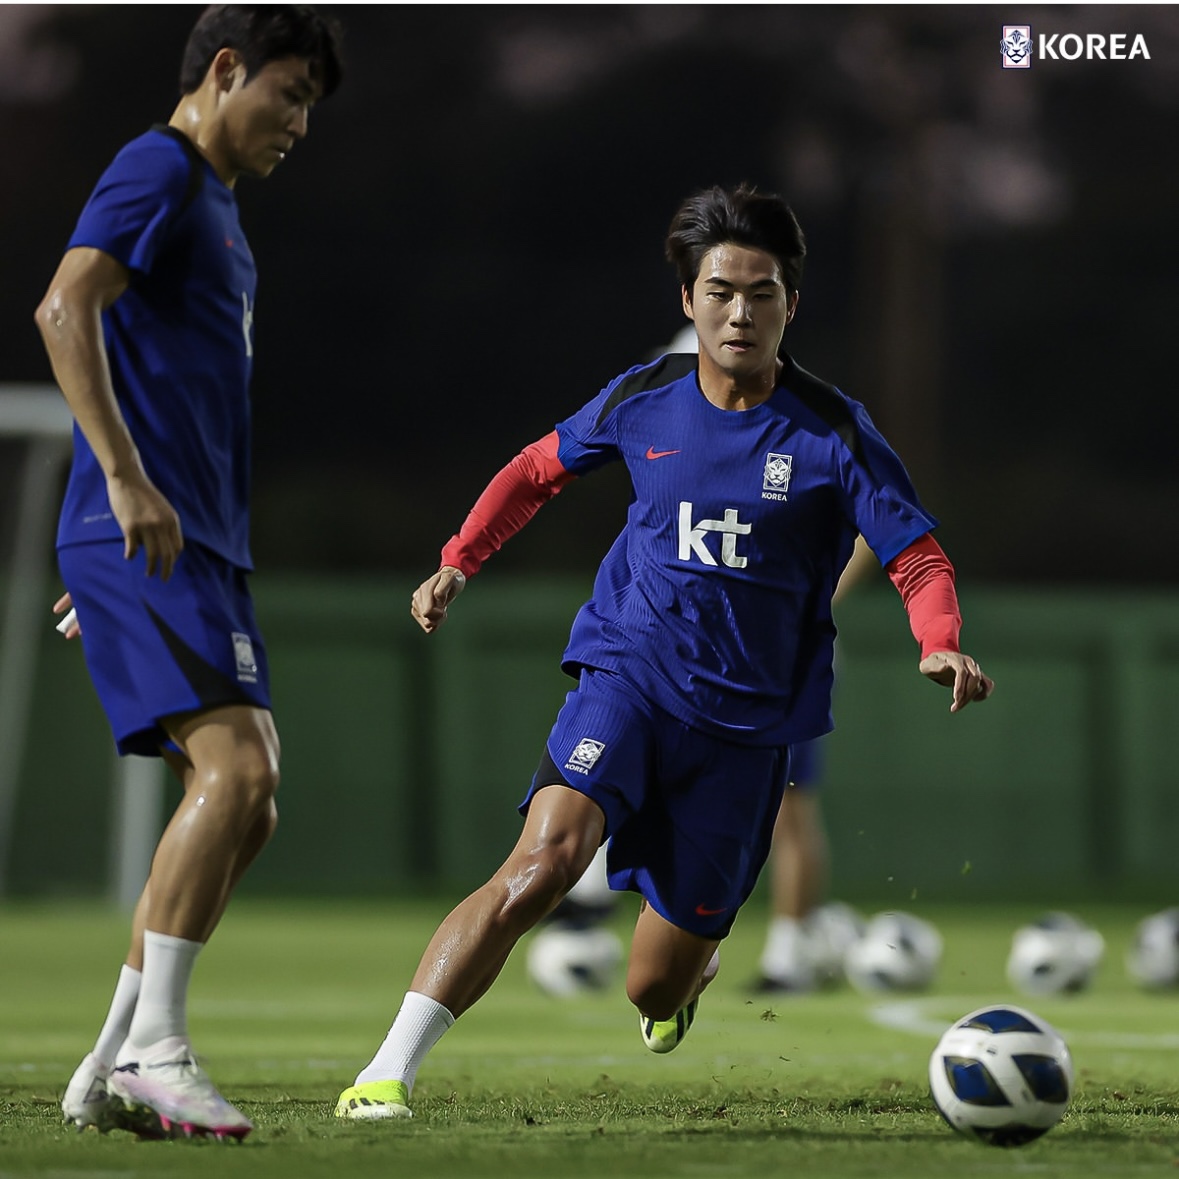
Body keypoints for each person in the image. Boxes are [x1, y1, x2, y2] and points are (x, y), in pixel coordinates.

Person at [335, 183, 993, 1122]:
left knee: (651, 986)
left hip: (749, 728)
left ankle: (693, 969)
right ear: (687, 301)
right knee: (542, 859)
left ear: (788, 306)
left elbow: (915, 553)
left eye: (760, 293)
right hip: (628, 678)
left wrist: (940, 642)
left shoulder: (832, 430)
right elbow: (534, 470)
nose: (739, 311)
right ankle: (384, 1072)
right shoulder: (642, 399)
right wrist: (457, 561)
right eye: (719, 290)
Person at [35, 6, 342, 1142]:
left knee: (246, 804)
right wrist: (115, 487)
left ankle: (115, 1058)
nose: (300, 123)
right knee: (240, 768)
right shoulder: (158, 168)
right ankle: (156, 1054)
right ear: (226, 68)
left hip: (192, 547)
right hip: (151, 535)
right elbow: (65, 305)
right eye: (292, 93)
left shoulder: (218, 210)